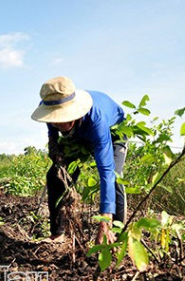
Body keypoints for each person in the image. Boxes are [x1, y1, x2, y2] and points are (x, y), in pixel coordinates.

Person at [31, 76, 127, 245]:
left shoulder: (97, 119)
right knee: (56, 174)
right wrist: (54, 145)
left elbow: (106, 172)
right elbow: (52, 130)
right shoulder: (48, 106)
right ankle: (57, 234)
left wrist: (104, 222)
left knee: (114, 176)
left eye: (62, 118)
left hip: (112, 133)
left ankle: (115, 234)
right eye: (55, 120)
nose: (58, 123)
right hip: (78, 133)